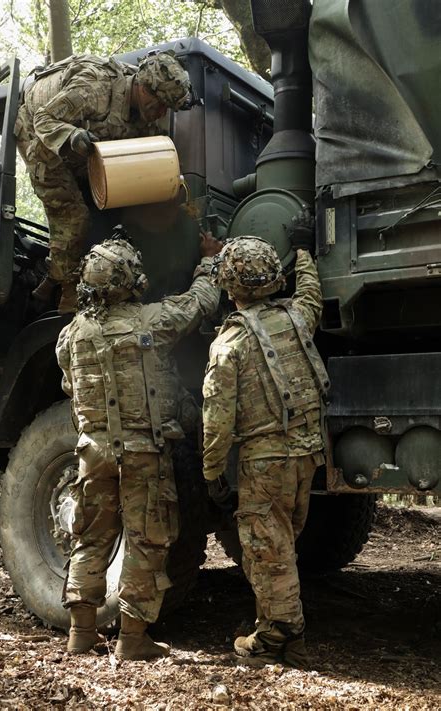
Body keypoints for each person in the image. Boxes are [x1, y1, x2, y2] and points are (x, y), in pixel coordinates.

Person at [56, 227, 222, 659]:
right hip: (142, 453)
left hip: (92, 452)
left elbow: (68, 382)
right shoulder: (153, 322)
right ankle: (132, 639)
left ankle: (81, 633)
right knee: (147, 539)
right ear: (130, 280)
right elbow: (201, 301)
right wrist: (208, 260)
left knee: (90, 538)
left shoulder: (71, 335)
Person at [201, 210, 330, 668]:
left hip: (265, 461)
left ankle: (278, 638)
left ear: (229, 286)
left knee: (265, 546)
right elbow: (311, 293)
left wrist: (213, 471)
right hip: (307, 453)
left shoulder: (229, 345)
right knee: (282, 542)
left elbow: (216, 420)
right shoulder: (297, 317)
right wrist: (303, 250)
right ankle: (272, 624)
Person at [15, 51, 192, 313]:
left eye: (168, 107)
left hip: (82, 146)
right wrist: (73, 136)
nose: (162, 112)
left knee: (111, 210)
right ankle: (66, 292)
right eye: (160, 104)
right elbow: (44, 119)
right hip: (40, 137)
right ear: (143, 88)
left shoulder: (147, 113)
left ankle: (56, 275)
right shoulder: (94, 87)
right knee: (74, 215)